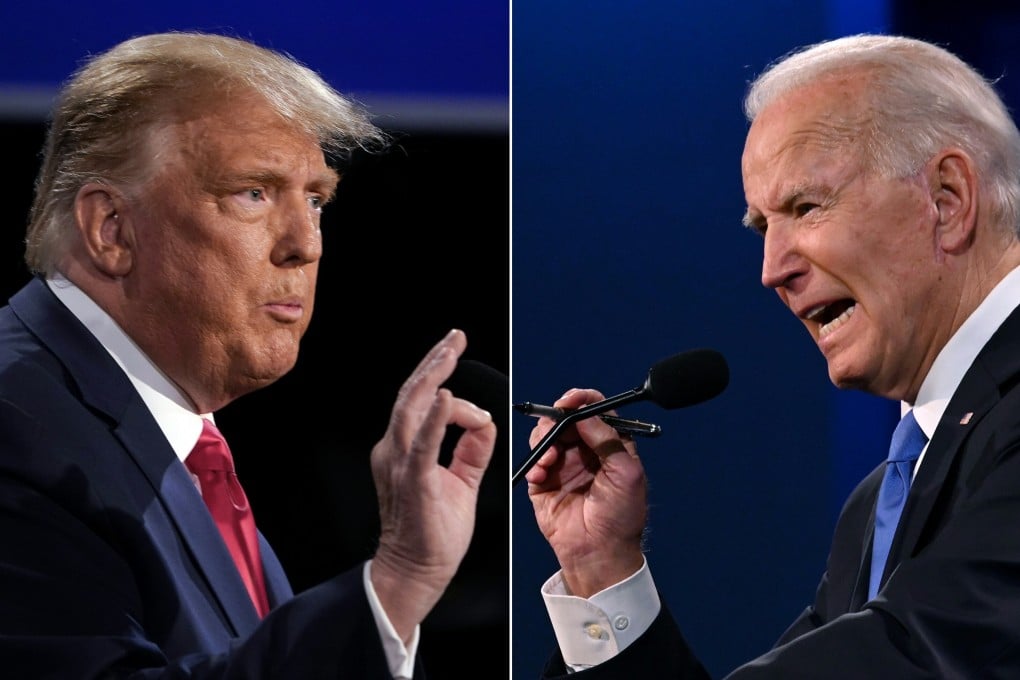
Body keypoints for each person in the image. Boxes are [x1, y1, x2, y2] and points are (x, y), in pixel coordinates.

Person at [0, 31, 498, 678]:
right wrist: (397, 583)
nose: (305, 245)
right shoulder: (17, 425)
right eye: (253, 193)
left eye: (316, 199)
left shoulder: (166, 437)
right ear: (112, 230)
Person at [524, 33, 1020, 678]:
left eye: (806, 207)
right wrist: (601, 569)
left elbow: (925, 656)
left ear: (947, 198)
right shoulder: (881, 500)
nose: (771, 270)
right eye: (763, 228)